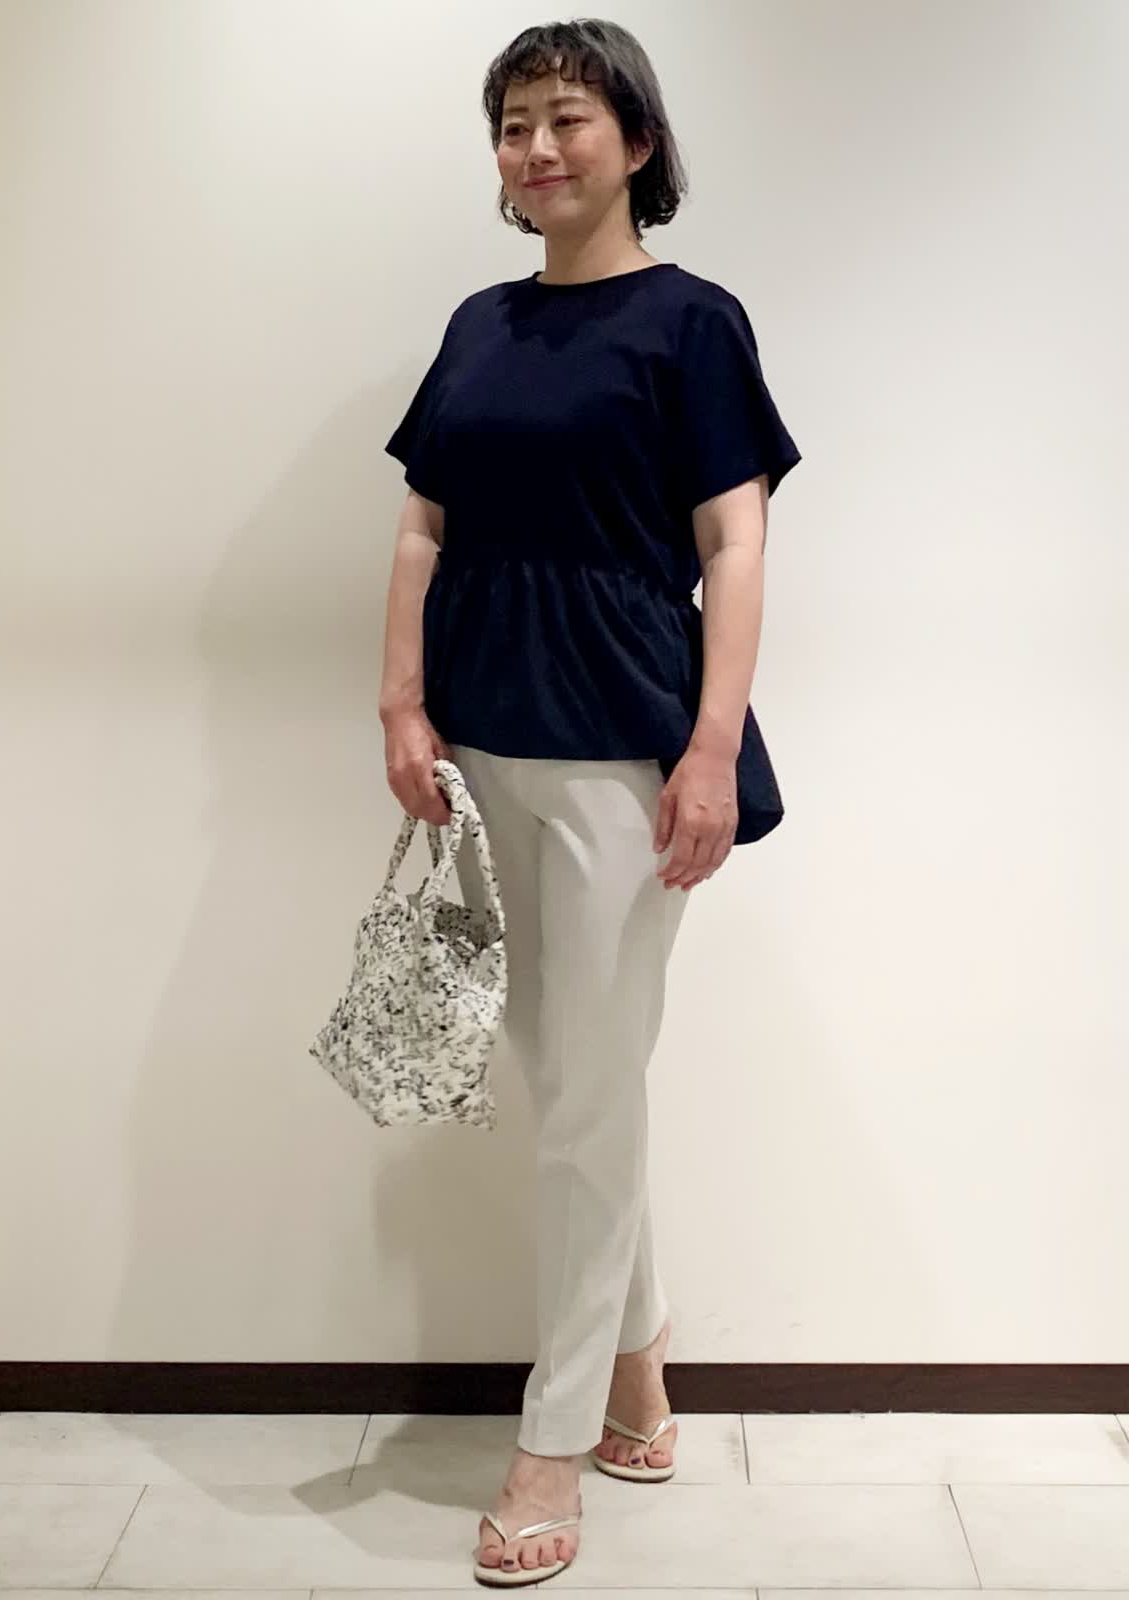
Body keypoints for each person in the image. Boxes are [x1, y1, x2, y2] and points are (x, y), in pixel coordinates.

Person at [377, 19, 802, 1588]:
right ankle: (640, 1362)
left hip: (628, 747)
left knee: (586, 1104)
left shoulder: (694, 323)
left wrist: (712, 745)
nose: (538, 147)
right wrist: (401, 700)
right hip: (481, 743)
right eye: (513, 124)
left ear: (637, 140)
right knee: (567, 1083)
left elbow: (735, 544)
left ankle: (552, 1440)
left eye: (566, 117)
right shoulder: (479, 325)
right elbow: (423, 525)